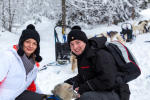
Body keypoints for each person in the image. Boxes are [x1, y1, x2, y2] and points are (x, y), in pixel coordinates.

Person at [65, 26, 130, 100]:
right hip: (102, 91)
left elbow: (107, 80)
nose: (75, 47)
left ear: (85, 41)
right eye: (72, 44)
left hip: (116, 93)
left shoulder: (100, 54)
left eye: (78, 42)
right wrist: (69, 83)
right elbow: (85, 75)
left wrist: (83, 87)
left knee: (85, 97)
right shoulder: (83, 55)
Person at [0, 25, 47, 100]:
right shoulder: (8, 57)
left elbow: (31, 85)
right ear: (22, 42)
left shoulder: (33, 64)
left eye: (34, 43)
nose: (31, 46)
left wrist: (45, 97)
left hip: (19, 96)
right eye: (27, 42)